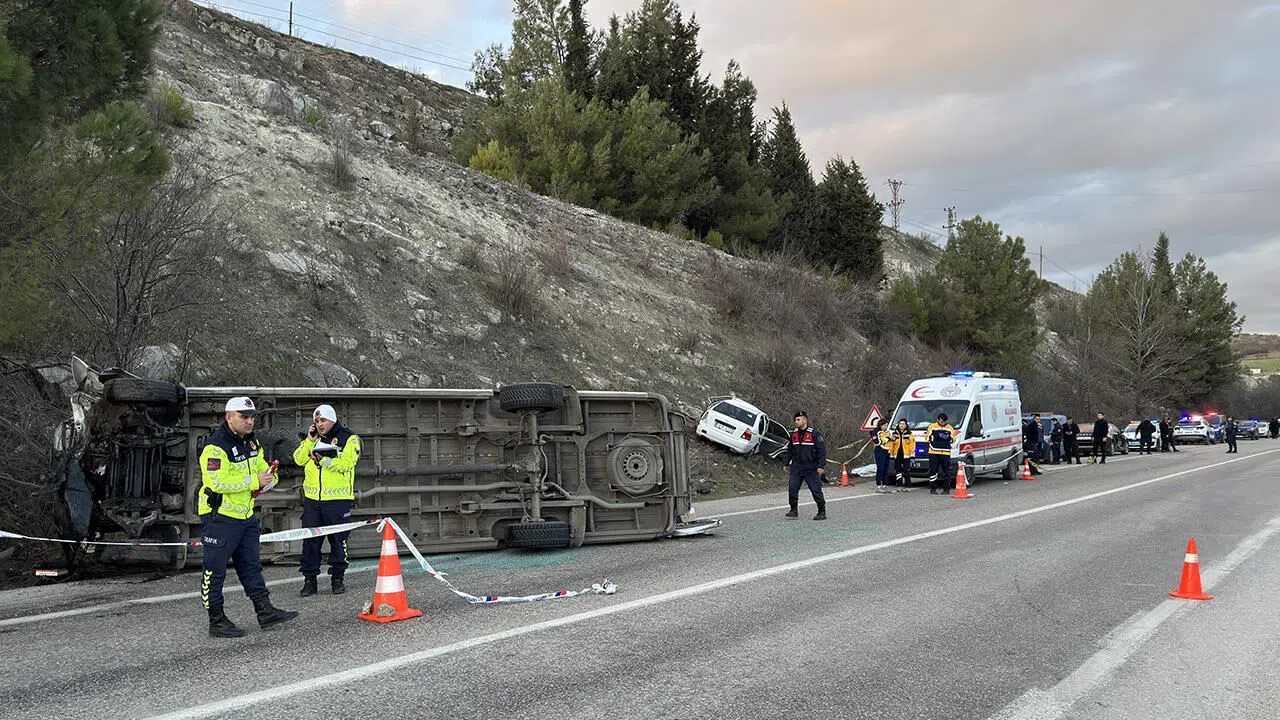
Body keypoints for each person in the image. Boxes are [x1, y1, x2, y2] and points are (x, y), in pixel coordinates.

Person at [199, 396, 299, 638]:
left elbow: (261, 469)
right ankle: (217, 619)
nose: (249, 421)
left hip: (244, 515)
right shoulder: (215, 446)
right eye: (244, 417)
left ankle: (265, 611)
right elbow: (216, 481)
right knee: (215, 571)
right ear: (229, 417)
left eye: (252, 417)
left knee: (251, 566)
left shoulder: (252, 443)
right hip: (220, 517)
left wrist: (269, 478)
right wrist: (255, 481)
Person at [293, 403, 362, 596]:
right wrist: (308, 440)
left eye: (323, 420)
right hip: (313, 500)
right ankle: (309, 580)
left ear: (332, 420)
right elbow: (298, 459)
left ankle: (337, 579)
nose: (319, 424)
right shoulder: (312, 440)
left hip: (338, 500)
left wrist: (322, 460)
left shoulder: (349, 438)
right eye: (316, 421)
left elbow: (347, 464)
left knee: (339, 541)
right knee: (310, 542)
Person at [783, 410, 827, 520]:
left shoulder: (814, 434)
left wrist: (821, 466)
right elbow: (790, 450)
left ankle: (821, 511)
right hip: (797, 467)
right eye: (795, 420)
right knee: (792, 488)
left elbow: (822, 451)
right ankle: (793, 510)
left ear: (805, 420)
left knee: (815, 490)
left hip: (811, 467)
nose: (796, 422)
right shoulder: (794, 435)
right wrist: (786, 463)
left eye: (798, 420)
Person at [926, 412, 959, 494]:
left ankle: (946, 489)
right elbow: (927, 438)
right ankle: (933, 488)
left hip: (945, 453)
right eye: (941, 421)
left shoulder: (949, 428)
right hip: (934, 452)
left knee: (947, 471)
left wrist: (947, 437)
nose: (943, 423)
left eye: (944, 422)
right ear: (938, 420)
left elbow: (953, 440)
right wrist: (937, 436)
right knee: (933, 470)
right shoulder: (932, 426)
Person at [890, 419, 914, 492]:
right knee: (898, 471)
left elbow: (912, 445)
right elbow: (892, 445)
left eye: (903, 424)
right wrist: (891, 455)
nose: (902, 425)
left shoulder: (909, 434)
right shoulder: (894, 434)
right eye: (900, 424)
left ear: (906, 425)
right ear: (898, 425)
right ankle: (899, 485)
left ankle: (908, 486)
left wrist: (912, 455)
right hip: (897, 455)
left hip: (906, 455)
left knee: (906, 471)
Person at [872, 419, 894, 493]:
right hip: (880, 451)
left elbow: (892, 439)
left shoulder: (888, 432)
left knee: (886, 468)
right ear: (881, 425)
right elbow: (877, 442)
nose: (886, 427)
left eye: (887, 425)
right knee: (880, 468)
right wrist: (887, 439)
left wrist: (892, 438)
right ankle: (878, 485)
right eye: (885, 425)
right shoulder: (875, 432)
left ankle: (885, 485)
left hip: (887, 451)